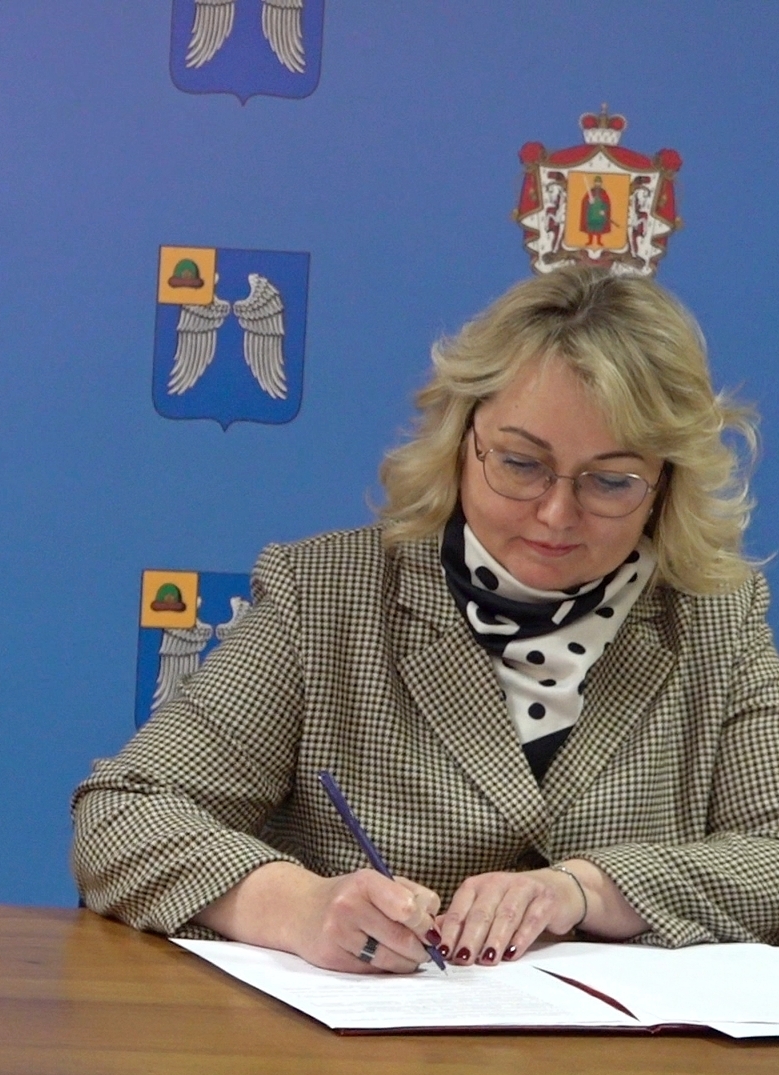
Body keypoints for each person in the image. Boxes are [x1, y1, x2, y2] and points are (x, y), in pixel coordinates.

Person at [73, 267, 779, 974]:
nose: (556, 513)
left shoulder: (718, 616)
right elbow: (121, 814)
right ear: (460, 439)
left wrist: (585, 889)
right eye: (520, 463)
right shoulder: (324, 593)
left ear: (665, 482)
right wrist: (300, 906)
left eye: (611, 480)